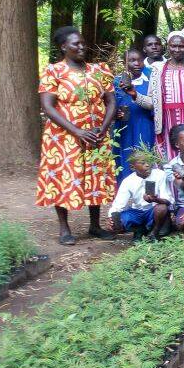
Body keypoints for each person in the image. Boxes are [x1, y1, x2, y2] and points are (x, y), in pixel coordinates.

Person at [37, 26, 118, 245]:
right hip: (64, 136)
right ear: (64, 47)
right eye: (76, 44)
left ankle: (95, 225)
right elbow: (48, 106)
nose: (82, 46)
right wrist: (77, 131)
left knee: (95, 175)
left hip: (96, 134)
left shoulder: (99, 70)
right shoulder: (54, 72)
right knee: (63, 176)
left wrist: (103, 128)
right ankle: (64, 228)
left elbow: (111, 101)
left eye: (83, 43)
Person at [130, 29, 184, 159]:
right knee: (167, 157)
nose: (177, 49)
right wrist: (134, 94)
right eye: (173, 46)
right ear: (168, 46)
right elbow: (152, 103)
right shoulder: (157, 69)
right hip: (166, 121)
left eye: (181, 46)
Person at [108, 148, 174, 241]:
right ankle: (140, 230)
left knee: (162, 208)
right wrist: (112, 218)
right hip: (138, 212)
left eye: (149, 161)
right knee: (118, 221)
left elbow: (168, 201)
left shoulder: (160, 175)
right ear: (132, 167)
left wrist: (155, 199)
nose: (147, 165)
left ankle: (154, 232)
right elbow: (118, 204)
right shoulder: (128, 181)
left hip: (153, 211)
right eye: (143, 163)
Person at [113, 49, 155, 184]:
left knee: (144, 154)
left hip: (144, 125)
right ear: (125, 63)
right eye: (132, 60)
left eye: (139, 60)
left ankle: (146, 188)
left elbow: (154, 104)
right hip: (124, 127)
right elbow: (110, 104)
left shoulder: (150, 81)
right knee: (124, 155)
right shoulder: (116, 82)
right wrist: (115, 113)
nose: (137, 63)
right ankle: (125, 187)